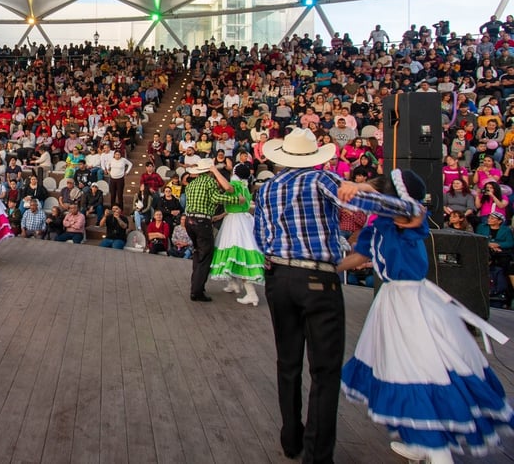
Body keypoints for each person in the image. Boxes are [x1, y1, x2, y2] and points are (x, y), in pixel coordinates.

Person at [255, 128, 426, 463]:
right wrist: (403, 204)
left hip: (278, 277)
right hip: (318, 278)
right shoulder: (322, 181)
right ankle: (318, 455)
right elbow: (383, 206)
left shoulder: (267, 187)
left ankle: (291, 438)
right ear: (314, 156)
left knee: (287, 362)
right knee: (324, 369)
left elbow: (261, 235)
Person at [340, 170, 514, 463]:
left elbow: (403, 208)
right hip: (392, 302)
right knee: (400, 368)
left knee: (418, 370)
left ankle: (437, 450)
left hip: (411, 304)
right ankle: (420, 439)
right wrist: (328, 269)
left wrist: (358, 190)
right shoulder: (381, 224)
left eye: (372, 191)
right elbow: (361, 255)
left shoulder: (409, 214)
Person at [181, 158, 237, 302]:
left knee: (198, 252)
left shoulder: (191, 185)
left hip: (189, 220)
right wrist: (237, 199)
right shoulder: (210, 182)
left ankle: (196, 285)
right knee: (205, 255)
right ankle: (197, 290)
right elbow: (216, 198)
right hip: (202, 221)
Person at [209, 164, 263, 306]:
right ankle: (233, 283)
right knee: (231, 254)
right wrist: (221, 215)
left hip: (235, 223)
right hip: (241, 219)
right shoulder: (245, 186)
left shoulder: (235, 184)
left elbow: (228, 188)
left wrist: (215, 171)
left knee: (236, 253)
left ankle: (251, 294)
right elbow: (237, 206)